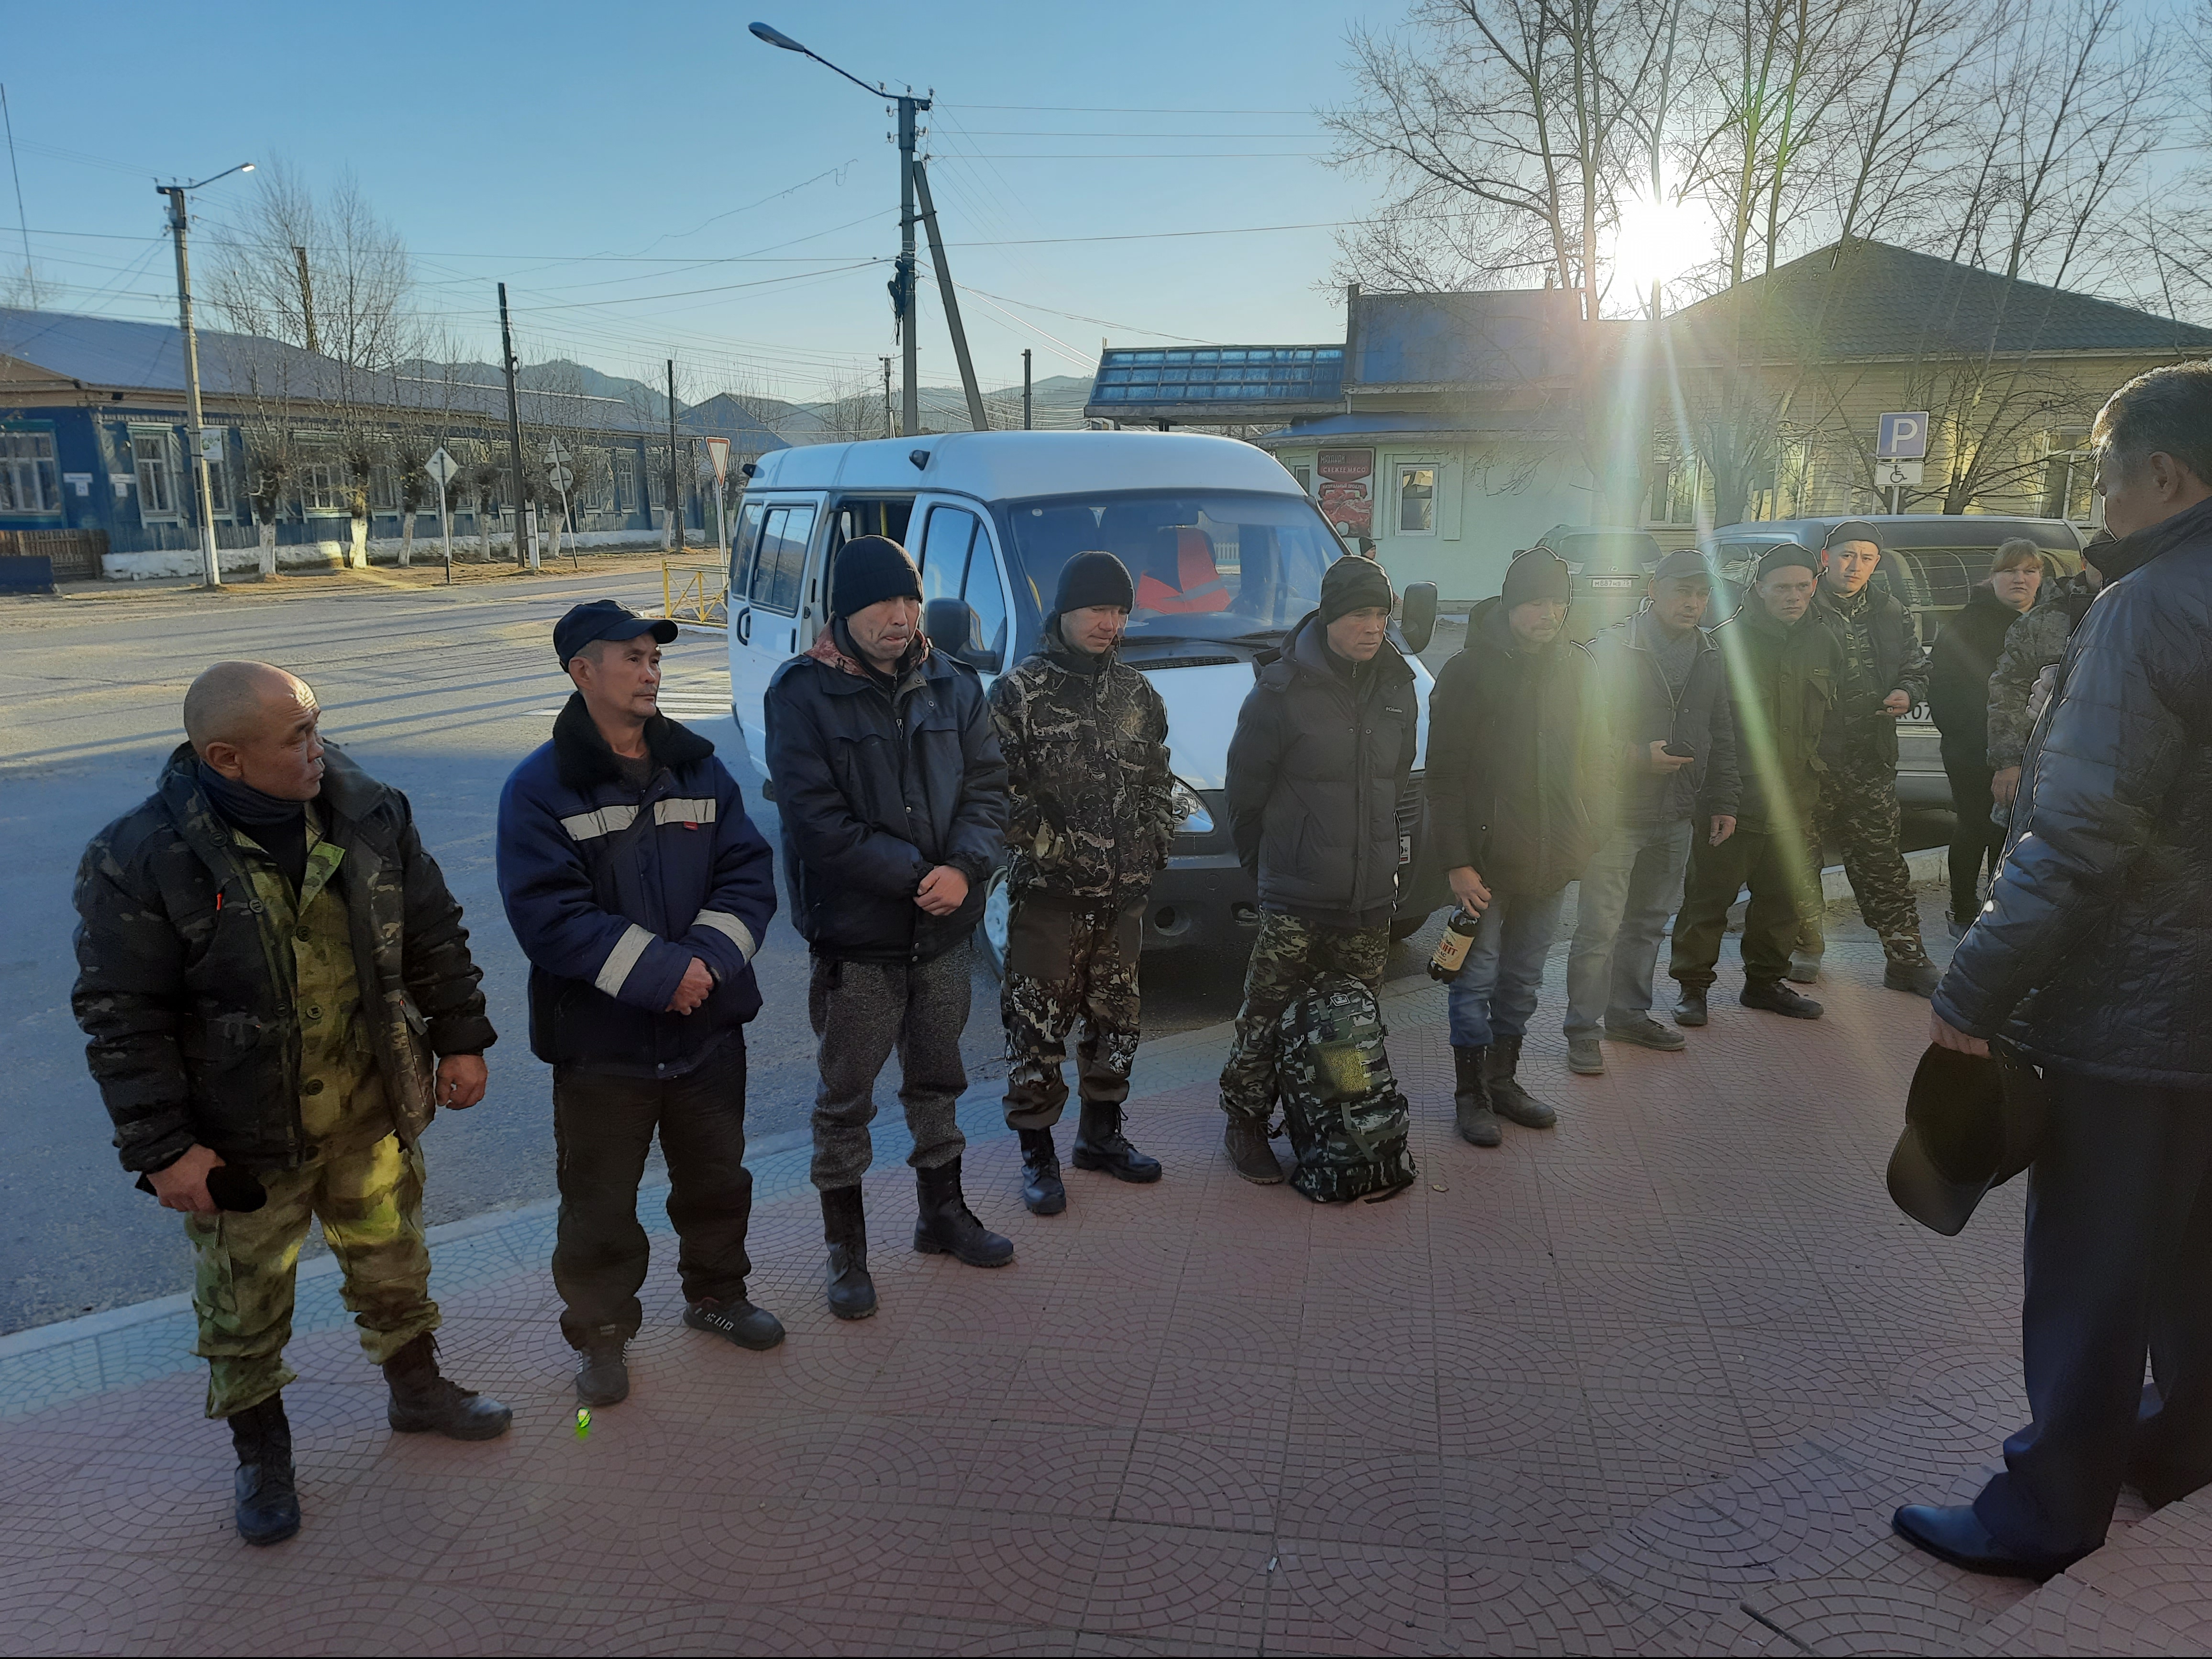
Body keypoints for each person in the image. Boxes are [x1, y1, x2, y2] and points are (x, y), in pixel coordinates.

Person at [73, 661, 509, 1548]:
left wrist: (462, 1037)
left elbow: (429, 927)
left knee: (393, 1261)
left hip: (367, 1104)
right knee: (244, 1303)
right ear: (225, 757)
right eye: (296, 737)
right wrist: (163, 1147)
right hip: (240, 1136)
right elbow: (123, 1016)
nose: (319, 749)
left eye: (317, 726)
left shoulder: (369, 809)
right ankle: (262, 1451)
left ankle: (418, 1391)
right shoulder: (140, 855)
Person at [1901, 362, 2212, 1578]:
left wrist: (1968, 989)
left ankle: (2044, 1511)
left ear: (2163, 474)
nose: (2097, 500)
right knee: (2197, 1251)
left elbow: (2078, 831)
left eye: (2101, 474)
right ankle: (2177, 1444)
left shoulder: (2147, 608)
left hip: (2131, 1007)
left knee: (2090, 1267)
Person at [498, 600, 781, 1410]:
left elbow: (748, 875)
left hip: (707, 1030)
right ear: (581, 671)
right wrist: (664, 974)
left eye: (654, 658)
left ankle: (717, 1294)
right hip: (602, 1046)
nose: (651, 669)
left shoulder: (699, 768)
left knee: (717, 1178)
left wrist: (707, 963)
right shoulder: (537, 788)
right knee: (598, 1206)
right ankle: (601, 1337)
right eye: (630, 657)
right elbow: (549, 916)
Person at [765, 535, 1012, 1314]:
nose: (900, 616)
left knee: (938, 1079)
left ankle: (942, 1213)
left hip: (942, 935)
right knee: (846, 1096)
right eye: (882, 602)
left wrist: (965, 868)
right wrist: (916, 877)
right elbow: (815, 821)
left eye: (908, 600)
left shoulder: (952, 684)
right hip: (859, 939)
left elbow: (990, 791)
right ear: (845, 608)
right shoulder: (800, 692)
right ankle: (846, 1249)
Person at [1218, 554, 1417, 1182]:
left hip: (1368, 898)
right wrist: (1272, 875)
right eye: (1360, 614)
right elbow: (1244, 798)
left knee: (1354, 1024)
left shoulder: (1398, 688)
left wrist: (1391, 863)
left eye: (1382, 615)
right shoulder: (1280, 691)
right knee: (1266, 1016)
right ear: (1332, 616)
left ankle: (1337, 1124)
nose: (1372, 627)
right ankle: (1245, 1124)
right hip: (1296, 897)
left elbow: (1397, 785)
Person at [989, 552, 1175, 1215]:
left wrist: (1156, 840)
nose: (1110, 623)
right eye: (1097, 608)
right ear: (1064, 612)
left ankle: (1100, 1138)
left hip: (1123, 898)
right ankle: (1037, 1156)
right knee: (1037, 1029)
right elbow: (999, 794)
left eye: (1120, 611)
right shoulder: (1019, 693)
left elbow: (1159, 779)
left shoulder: (1137, 694)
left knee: (1117, 1025)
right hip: (1051, 900)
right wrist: (1060, 855)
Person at [1427, 550, 1608, 1145]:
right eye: (1535, 602)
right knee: (1474, 980)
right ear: (1509, 605)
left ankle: (1504, 1083)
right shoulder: (1467, 672)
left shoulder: (1576, 669)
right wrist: (1456, 862)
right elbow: (1444, 775)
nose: (1548, 613)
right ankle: (1470, 1094)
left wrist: (1588, 831)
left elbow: (1593, 757)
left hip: (1551, 859)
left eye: (1557, 602)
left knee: (1524, 979)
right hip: (1482, 865)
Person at [1563, 549, 1738, 1075]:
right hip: (1615, 815)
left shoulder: (1709, 653)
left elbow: (1723, 734)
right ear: (1652, 590)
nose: (1692, 603)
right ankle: (1581, 1031)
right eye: (1681, 591)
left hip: (1677, 814)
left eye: (1701, 594)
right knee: (1599, 928)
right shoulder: (1611, 650)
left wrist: (1723, 801)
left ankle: (1628, 1015)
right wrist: (1637, 757)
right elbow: (1580, 738)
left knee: (1646, 924)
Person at [1670, 546, 1843, 1025]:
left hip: (1795, 799)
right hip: (1734, 799)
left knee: (1781, 901)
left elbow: (1834, 721)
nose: (1793, 596)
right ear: (1759, 588)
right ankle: (1693, 989)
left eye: (1802, 586)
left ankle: (1764, 983)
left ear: (1813, 586)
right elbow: (1704, 726)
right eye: (1781, 587)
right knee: (1708, 899)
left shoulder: (1825, 640)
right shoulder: (1723, 645)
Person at [1797, 520, 1939, 995]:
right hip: (1809, 760)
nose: (1854, 565)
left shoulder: (1889, 609)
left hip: (1869, 760)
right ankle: (1804, 949)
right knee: (1799, 862)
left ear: (1877, 563)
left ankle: (1905, 957)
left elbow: (1915, 665)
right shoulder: (1800, 605)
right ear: (1825, 558)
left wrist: (1904, 690)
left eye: (1866, 556)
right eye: (1845, 555)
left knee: (1881, 864)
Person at [1927, 541, 2041, 938]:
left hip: (2033, 751)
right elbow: (1943, 691)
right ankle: (1962, 910)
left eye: (2030, 571)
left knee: (2011, 832)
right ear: (1993, 577)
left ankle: (1997, 910)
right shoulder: (1967, 624)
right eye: (2010, 571)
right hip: (1973, 749)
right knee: (1976, 825)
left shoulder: (2049, 623)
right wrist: (1988, 748)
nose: (2020, 579)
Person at [1985, 534, 2109, 812]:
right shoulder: (2043, 620)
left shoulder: (2144, 612)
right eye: (2104, 559)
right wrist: (2009, 763)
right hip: (2045, 766)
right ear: (2085, 561)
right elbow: (2008, 693)